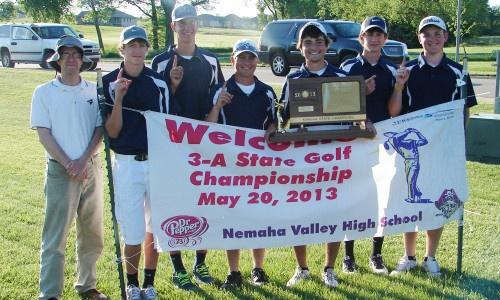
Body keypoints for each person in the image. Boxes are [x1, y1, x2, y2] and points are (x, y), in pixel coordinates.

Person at [388, 16, 476, 277]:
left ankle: (431, 256)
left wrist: (456, 144)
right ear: (419, 38)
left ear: (446, 37)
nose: (433, 38)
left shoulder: (458, 72)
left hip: (443, 149)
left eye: (438, 33)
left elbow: (465, 113)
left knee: (438, 200)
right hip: (413, 149)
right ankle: (409, 255)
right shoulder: (408, 70)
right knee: (411, 198)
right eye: (427, 34)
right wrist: (398, 85)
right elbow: (394, 113)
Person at [272, 21, 352, 289]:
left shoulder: (341, 78)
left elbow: (352, 121)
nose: (314, 47)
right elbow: (284, 120)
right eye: (308, 42)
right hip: (303, 159)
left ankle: (329, 268)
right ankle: (302, 267)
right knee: (299, 212)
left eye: (319, 41)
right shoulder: (292, 79)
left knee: (335, 212)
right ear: (300, 47)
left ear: (327, 46)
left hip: (334, 160)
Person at [151, 3, 224, 290]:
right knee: (174, 205)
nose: (187, 27)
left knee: (203, 201)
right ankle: (178, 268)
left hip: (204, 145)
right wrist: (173, 85)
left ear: (197, 25)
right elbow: (157, 104)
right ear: (173, 27)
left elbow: (217, 97)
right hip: (171, 146)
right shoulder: (160, 62)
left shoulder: (210, 60)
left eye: (192, 22)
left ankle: (201, 263)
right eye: (182, 23)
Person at [30, 36, 107, 300]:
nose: (72, 58)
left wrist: (84, 160)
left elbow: (100, 129)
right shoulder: (44, 92)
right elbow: (44, 133)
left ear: (82, 60)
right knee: (55, 236)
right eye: (66, 54)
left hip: (91, 168)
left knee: (92, 233)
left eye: (76, 54)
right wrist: (69, 164)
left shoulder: (92, 91)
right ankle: (50, 293)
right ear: (58, 60)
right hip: (60, 171)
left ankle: (87, 286)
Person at [102, 26, 173, 300]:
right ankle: (131, 284)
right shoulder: (109, 82)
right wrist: (119, 98)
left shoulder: (158, 83)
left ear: (146, 49)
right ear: (122, 49)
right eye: (131, 45)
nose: (136, 50)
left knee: (153, 227)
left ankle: (149, 282)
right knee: (132, 228)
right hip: (127, 163)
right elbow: (113, 131)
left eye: (141, 45)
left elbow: (166, 127)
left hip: (155, 163)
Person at [339, 16, 409, 275]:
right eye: (370, 33)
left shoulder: (392, 69)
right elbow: (336, 108)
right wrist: (360, 101)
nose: (375, 38)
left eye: (379, 34)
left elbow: (394, 111)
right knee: (351, 197)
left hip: (382, 142)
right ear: (361, 38)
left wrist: (400, 86)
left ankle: (376, 254)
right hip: (352, 141)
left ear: (385, 38)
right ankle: (348, 257)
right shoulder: (346, 67)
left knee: (380, 198)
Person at [205, 39, 276, 289]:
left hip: (257, 163)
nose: (246, 63)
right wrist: (218, 105)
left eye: (251, 58)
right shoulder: (221, 89)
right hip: (228, 166)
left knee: (258, 216)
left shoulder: (266, 90)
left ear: (257, 61)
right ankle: (233, 271)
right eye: (241, 58)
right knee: (231, 217)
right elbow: (208, 127)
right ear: (232, 60)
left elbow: (273, 123)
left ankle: (258, 268)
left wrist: (271, 129)